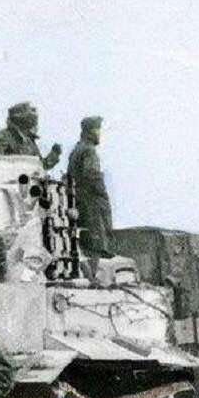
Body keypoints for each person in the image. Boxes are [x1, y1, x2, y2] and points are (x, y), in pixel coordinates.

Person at [66, 115, 114, 279]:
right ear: (90, 131)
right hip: (91, 204)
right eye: (97, 129)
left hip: (79, 202)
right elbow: (92, 175)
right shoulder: (89, 151)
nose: (99, 134)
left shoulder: (77, 150)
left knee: (84, 243)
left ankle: (86, 276)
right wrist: (102, 192)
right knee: (96, 243)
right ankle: (90, 277)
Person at [0, 102, 61, 170]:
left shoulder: (29, 140)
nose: (32, 121)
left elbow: (40, 166)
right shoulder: (3, 137)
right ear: (21, 119)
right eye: (30, 118)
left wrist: (54, 155)